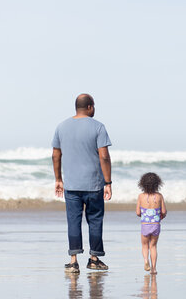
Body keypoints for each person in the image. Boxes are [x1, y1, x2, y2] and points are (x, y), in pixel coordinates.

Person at [52, 93, 113, 273]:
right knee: (95, 220)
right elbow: (104, 156)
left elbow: (56, 155)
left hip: (71, 185)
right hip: (94, 184)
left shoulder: (61, 127)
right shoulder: (98, 127)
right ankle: (94, 259)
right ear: (90, 107)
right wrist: (108, 182)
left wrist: (58, 179)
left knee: (73, 221)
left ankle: (73, 261)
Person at [136, 172, 167, 275]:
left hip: (145, 224)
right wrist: (161, 216)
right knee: (153, 246)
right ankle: (154, 269)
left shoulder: (141, 196)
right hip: (156, 225)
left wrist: (144, 215)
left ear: (142, 183)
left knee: (145, 245)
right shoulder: (159, 196)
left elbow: (138, 213)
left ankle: (146, 261)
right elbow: (163, 211)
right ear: (157, 183)